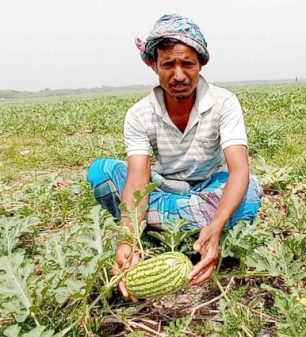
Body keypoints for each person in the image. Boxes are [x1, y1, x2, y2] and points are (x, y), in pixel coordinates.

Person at [85, 14, 262, 299]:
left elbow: (239, 169)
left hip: (210, 184)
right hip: (165, 185)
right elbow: (138, 180)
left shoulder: (224, 103)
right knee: (101, 173)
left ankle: (178, 224)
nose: (179, 75)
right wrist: (128, 240)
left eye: (187, 64)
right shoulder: (140, 114)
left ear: (201, 63)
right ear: (154, 65)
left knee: (250, 191)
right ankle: (185, 222)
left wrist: (216, 226)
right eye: (168, 64)